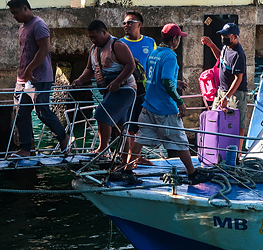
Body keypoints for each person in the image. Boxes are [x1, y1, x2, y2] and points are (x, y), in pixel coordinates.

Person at [124, 23, 195, 179]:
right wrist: (179, 102)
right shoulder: (170, 56)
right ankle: (193, 173)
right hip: (165, 108)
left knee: (141, 138)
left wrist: (175, 82)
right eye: (179, 38)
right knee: (181, 141)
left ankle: (127, 170)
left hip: (148, 105)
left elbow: (155, 77)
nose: (179, 41)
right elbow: (166, 82)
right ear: (175, 39)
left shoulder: (154, 53)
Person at [7, 0, 69, 157]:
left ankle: (63, 139)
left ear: (25, 8)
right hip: (23, 79)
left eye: (15, 13)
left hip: (39, 78)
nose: (14, 16)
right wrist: (23, 72)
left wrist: (30, 69)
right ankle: (26, 148)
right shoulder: (23, 27)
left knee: (42, 111)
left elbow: (44, 49)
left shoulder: (39, 25)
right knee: (20, 113)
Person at [71, 20, 137, 155]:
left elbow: (130, 65)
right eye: (90, 37)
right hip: (108, 91)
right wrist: (79, 80)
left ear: (104, 32)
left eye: (95, 36)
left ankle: (103, 148)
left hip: (124, 89)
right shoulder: (94, 49)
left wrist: (118, 81)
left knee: (101, 113)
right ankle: (128, 157)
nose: (93, 40)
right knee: (121, 125)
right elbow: (90, 69)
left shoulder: (117, 45)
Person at [202, 22, 248, 145]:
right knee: (213, 118)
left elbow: (238, 78)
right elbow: (220, 58)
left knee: (238, 125)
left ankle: (237, 155)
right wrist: (211, 45)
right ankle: (214, 149)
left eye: (227, 36)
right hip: (222, 91)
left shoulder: (239, 54)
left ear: (235, 37)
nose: (224, 38)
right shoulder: (225, 48)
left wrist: (227, 97)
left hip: (236, 93)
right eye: (223, 35)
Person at [120, 11, 155, 163]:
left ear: (139, 25)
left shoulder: (149, 42)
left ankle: (136, 157)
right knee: (127, 126)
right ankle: (126, 158)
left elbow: (154, 65)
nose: (126, 25)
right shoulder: (120, 44)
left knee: (141, 125)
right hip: (126, 90)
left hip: (144, 91)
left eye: (129, 22)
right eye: (124, 23)